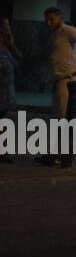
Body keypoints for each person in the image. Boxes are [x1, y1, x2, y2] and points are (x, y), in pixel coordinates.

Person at [44, 7, 76, 169]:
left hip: (69, 79)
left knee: (64, 118)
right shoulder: (54, 35)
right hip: (59, 80)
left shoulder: (68, 31)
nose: (49, 22)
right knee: (58, 118)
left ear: (60, 18)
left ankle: (62, 155)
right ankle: (54, 154)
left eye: (52, 19)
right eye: (47, 19)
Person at [0, 22, 18, 163]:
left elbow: (19, 61)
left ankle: (3, 152)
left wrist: (11, 44)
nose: (9, 28)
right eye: (6, 25)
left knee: (3, 121)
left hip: (5, 92)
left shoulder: (7, 47)